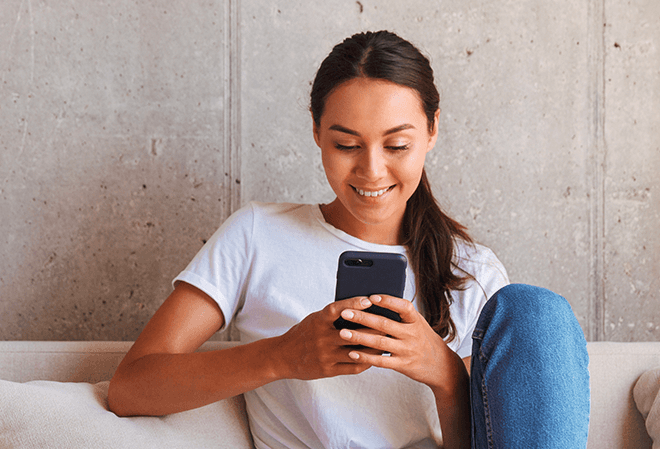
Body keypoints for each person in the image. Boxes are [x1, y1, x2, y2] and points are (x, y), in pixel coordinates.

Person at [107, 30, 590, 449]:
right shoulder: (258, 235)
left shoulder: (471, 270)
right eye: (346, 145)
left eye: (397, 145)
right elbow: (130, 388)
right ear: (317, 131)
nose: (371, 170)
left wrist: (442, 371)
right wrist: (282, 356)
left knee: (535, 311)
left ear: (432, 130)